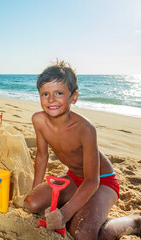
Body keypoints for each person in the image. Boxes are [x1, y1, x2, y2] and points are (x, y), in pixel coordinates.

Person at [24, 60, 140, 240]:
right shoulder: (39, 120)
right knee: (31, 204)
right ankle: (83, 209)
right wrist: (35, 190)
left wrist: (64, 214)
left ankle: (134, 222)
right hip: (75, 177)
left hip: (101, 182)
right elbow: (41, 156)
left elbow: (92, 181)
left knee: (83, 234)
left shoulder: (85, 128)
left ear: (74, 97)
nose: (51, 99)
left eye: (59, 93)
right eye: (45, 94)